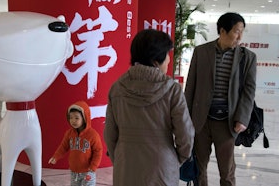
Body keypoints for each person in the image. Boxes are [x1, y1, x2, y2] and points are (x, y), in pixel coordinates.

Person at [104, 29, 195, 186]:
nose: (168, 60)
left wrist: (119, 157)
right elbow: (185, 135)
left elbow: (110, 135)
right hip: (162, 166)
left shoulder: (117, 88)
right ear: (155, 60)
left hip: (126, 165)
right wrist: (175, 160)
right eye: (167, 55)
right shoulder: (172, 90)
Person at [184, 12, 257, 186]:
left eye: (242, 32)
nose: (239, 36)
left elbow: (249, 90)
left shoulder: (247, 57)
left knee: (227, 170)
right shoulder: (201, 52)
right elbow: (190, 86)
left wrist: (242, 118)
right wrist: (185, 118)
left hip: (227, 122)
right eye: (236, 31)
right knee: (199, 168)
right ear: (222, 31)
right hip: (201, 120)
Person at [48, 101, 103, 186]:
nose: (73, 121)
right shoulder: (69, 133)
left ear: (84, 118)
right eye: (71, 118)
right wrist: (56, 156)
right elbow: (63, 147)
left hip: (88, 171)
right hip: (74, 172)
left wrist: (93, 167)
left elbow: (98, 151)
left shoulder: (93, 135)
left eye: (77, 118)